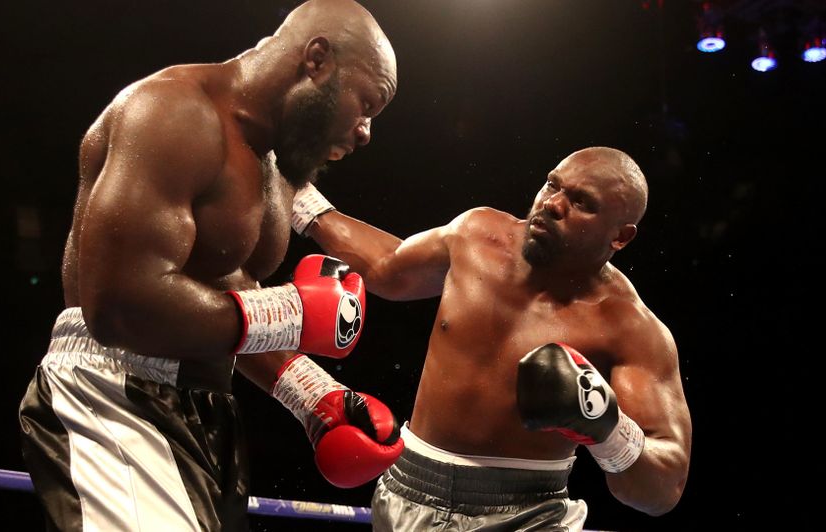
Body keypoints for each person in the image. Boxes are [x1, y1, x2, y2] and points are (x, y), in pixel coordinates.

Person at [17, 1, 404, 530]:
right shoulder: (173, 113)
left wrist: (312, 393)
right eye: (367, 104)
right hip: (113, 393)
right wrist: (291, 312)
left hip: (208, 409)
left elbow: (222, 293)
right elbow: (117, 305)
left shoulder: (276, 165)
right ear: (317, 60)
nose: (365, 132)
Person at [292, 146, 693, 530]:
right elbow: (387, 267)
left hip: (529, 514)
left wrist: (608, 428)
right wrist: (292, 193)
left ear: (620, 237)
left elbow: (666, 487)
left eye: (581, 202)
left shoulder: (629, 327)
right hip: (408, 489)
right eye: (552, 184)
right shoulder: (477, 234)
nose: (553, 204)